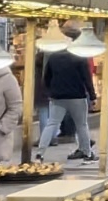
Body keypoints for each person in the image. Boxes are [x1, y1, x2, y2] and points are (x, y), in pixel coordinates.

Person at [40, 23, 98, 161]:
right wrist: (93, 95)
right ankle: (87, 153)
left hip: (57, 97)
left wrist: (50, 91)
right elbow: (86, 78)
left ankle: (40, 153)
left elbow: (46, 77)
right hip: (77, 96)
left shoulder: (54, 57)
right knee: (81, 125)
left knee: (51, 124)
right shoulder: (79, 56)